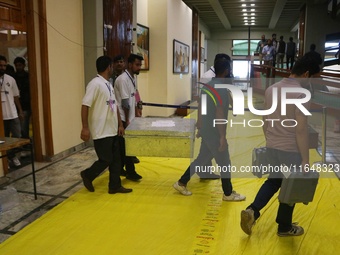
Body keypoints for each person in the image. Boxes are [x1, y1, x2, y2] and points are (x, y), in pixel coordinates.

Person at [240, 56, 320, 237]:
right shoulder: (300, 94)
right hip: (290, 149)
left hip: (273, 146)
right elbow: (300, 129)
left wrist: (271, 142)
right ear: (306, 74)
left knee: (274, 180)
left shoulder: (271, 89)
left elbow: (264, 121)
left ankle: (252, 211)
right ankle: (284, 227)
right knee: (290, 187)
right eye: (314, 78)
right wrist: (305, 159)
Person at [173, 59, 246, 201]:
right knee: (225, 162)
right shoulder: (221, 89)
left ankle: (181, 182)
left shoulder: (208, 86)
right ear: (226, 70)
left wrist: (201, 126)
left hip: (207, 129)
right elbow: (219, 113)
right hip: (214, 132)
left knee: (201, 159)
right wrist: (222, 137)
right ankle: (228, 193)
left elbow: (201, 107)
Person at [80, 55, 132, 194]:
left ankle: (114, 186)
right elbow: (85, 105)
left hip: (113, 129)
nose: (113, 68)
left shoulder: (108, 84)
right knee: (106, 159)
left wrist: (120, 124)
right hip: (101, 130)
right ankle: (87, 174)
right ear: (109, 67)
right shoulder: (95, 84)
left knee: (116, 160)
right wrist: (85, 127)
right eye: (112, 66)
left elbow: (114, 106)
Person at [114, 53, 143, 181]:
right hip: (122, 118)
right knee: (125, 147)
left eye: (140, 65)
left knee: (125, 147)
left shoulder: (132, 77)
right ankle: (130, 172)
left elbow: (135, 93)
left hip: (129, 117)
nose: (139, 67)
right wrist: (125, 123)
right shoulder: (122, 79)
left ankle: (122, 170)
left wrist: (138, 106)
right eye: (137, 65)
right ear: (130, 64)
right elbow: (125, 104)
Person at [0, 55, 24, 167]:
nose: (3, 68)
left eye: (4, 65)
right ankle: (6, 161)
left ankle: (13, 156)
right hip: (1, 118)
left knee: (17, 137)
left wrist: (20, 111)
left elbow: (16, 97)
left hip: (13, 114)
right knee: (3, 140)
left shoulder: (10, 79)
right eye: (0, 65)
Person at [13, 57, 31, 139]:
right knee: (16, 128)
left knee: (24, 127)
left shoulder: (28, 76)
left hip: (25, 105)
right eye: (16, 65)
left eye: (20, 65)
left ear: (24, 65)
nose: (18, 67)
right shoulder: (13, 77)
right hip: (15, 106)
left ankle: (25, 144)